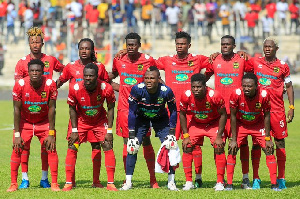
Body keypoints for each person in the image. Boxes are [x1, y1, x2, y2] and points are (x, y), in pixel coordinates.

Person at [13, 26, 64, 189]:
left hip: (45, 106)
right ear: (29, 44)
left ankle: (45, 179)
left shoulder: (51, 59)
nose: (35, 44)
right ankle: (24, 179)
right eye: (32, 42)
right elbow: (19, 89)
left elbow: (65, 72)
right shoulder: (21, 63)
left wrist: (56, 85)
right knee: (24, 147)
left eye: (38, 41)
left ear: (42, 43)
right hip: (28, 108)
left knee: (46, 147)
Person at [205, 35, 257, 189]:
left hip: (238, 112)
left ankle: (245, 177)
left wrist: (247, 55)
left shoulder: (242, 59)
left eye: (228, 44)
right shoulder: (215, 60)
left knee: (242, 144)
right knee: (218, 145)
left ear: (234, 46)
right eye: (222, 44)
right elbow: (203, 78)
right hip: (219, 112)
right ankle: (220, 180)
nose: (224, 46)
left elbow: (254, 72)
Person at [109, 33, 159, 188]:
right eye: (128, 45)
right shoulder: (119, 59)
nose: (130, 47)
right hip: (124, 108)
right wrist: (119, 87)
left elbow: (156, 78)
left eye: (133, 45)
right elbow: (113, 75)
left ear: (139, 45)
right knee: (127, 142)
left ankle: (153, 179)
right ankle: (127, 179)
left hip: (144, 108)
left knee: (145, 140)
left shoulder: (148, 60)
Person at [246, 37, 294, 189]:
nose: (267, 49)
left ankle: (281, 178)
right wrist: (241, 53)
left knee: (279, 142)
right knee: (256, 144)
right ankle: (256, 178)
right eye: (265, 46)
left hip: (277, 110)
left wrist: (291, 107)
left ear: (276, 49)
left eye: (270, 47)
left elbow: (289, 86)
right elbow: (241, 66)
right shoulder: (255, 62)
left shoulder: (283, 66)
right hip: (258, 111)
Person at [120, 66, 178, 190]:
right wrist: (131, 132)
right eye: (146, 78)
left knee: (171, 146)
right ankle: (128, 182)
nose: (149, 81)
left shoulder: (166, 91)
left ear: (159, 79)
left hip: (160, 119)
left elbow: (173, 110)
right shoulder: (137, 89)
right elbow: (131, 112)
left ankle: (171, 182)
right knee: (132, 147)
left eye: (152, 78)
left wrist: (172, 130)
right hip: (142, 119)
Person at [63, 63, 118, 191]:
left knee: (107, 144)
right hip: (81, 121)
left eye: (91, 76)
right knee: (72, 145)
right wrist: (75, 130)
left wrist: (109, 131)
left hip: (99, 120)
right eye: (85, 76)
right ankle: (68, 182)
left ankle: (110, 183)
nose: (88, 78)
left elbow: (110, 108)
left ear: (97, 76)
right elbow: (72, 109)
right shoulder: (75, 87)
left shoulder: (106, 88)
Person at [7, 59, 59, 192]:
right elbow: (16, 110)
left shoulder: (50, 84)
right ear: (28, 72)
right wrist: (17, 134)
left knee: (51, 148)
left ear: (43, 72)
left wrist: (51, 133)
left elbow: (52, 108)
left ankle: (51, 182)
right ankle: (16, 182)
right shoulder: (20, 85)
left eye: (38, 70)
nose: (35, 73)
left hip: (43, 122)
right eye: (32, 70)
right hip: (25, 122)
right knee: (17, 149)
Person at [226, 73, 280, 191]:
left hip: (258, 125)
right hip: (241, 124)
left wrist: (267, 138)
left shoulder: (264, 95)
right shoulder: (236, 94)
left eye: (249, 86)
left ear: (256, 86)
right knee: (232, 149)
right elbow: (233, 116)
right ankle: (229, 184)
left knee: (269, 149)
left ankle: (274, 184)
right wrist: (233, 139)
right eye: (244, 86)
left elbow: (266, 116)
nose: (246, 89)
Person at [180, 73, 227, 191]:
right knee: (187, 145)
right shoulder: (186, 95)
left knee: (219, 146)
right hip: (196, 124)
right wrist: (185, 135)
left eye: (199, 87)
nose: (196, 90)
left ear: (205, 86)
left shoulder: (214, 95)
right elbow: (182, 114)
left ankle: (220, 182)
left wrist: (219, 136)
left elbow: (223, 115)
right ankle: (189, 181)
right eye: (193, 87)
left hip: (213, 123)